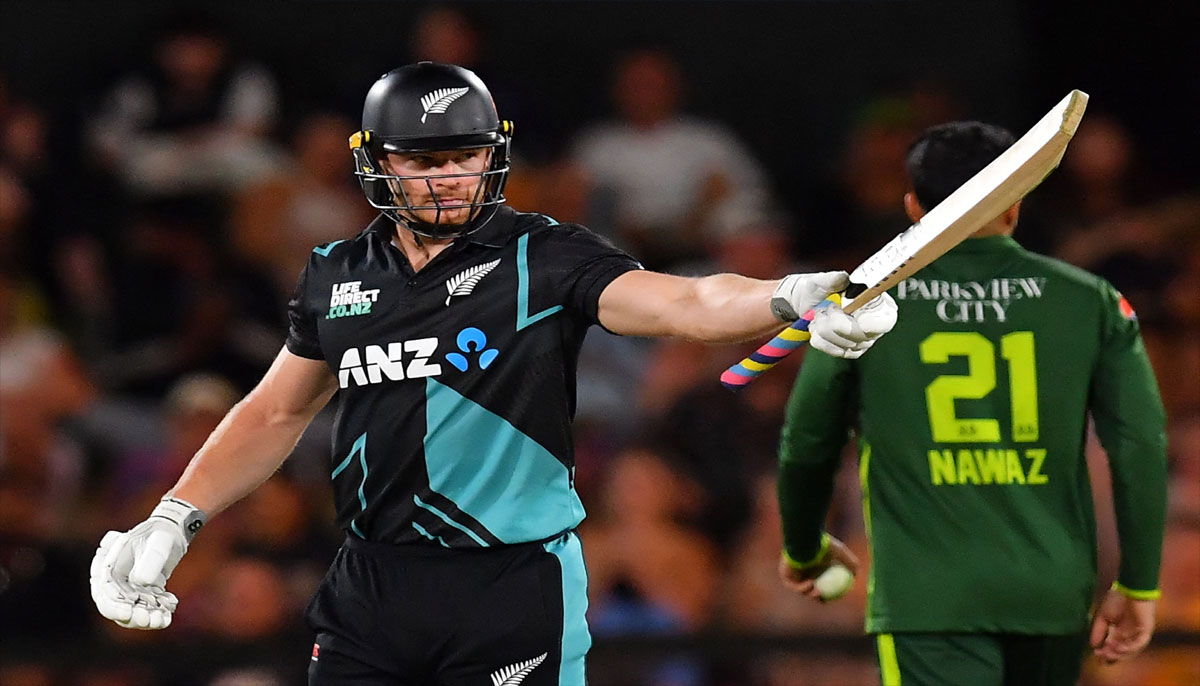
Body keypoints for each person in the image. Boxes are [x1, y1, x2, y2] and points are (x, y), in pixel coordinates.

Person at [87, 62, 898, 685]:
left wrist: (789, 295)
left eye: (465, 155)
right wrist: (173, 519)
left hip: (512, 584)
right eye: (423, 159)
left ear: (493, 155)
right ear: (375, 164)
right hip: (371, 583)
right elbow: (273, 414)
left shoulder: (544, 258)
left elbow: (685, 302)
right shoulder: (336, 274)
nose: (448, 177)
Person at [775, 120, 1168, 685]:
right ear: (1016, 202)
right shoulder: (1092, 302)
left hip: (929, 598)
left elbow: (808, 441)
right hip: (1051, 593)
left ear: (913, 206)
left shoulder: (861, 304)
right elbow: (1140, 447)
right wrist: (1139, 583)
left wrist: (805, 547)